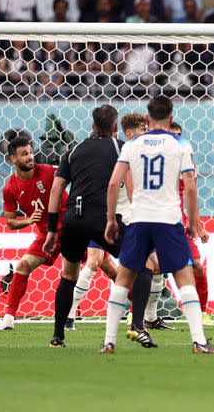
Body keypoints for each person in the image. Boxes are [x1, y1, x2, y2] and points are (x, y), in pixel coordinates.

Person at [100, 97, 214, 354]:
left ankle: (109, 342)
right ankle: (198, 341)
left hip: (140, 218)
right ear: (171, 117)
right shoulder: (180, 144)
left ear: (147, 117)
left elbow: (113, 183)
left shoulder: (133, 144)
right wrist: (195, 223)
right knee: (184, 276)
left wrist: (110, 219)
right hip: (168, 219)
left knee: (124, 277)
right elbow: (190, 185)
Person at [44, 105, 150, 348]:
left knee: (68, 275)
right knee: (143, 264)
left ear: (92, 126)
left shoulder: (73, 151)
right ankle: (138, 327)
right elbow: (131, 187)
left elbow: (56, 189)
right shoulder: (120, 148)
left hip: (72, 219)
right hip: (101, 218)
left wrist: (52, 229)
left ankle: (57, 337)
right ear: (115, 128)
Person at [65, 113, 147, 331]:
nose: (145, 135)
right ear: (128, 133)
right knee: (94, 261)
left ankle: (141, 316)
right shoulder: (115, 152)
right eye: (142, 131)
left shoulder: (137, 156)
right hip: (106, 217)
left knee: (138, 268)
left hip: (128, 216)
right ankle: (70, 316)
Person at [0, 138, 68, 331]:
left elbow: (74, 175)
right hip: (46, 235)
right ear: (13, 159)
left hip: (71, 230)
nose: (30, 156)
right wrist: (28, 220)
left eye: (31, 152)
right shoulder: (10, 188)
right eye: (24, 154)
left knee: (105, 265)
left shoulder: (49, 171)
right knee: (23, 266)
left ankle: (139, 312)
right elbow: (10, 221)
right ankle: (8, 319)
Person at [162, 121, 214, 327]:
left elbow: (191, 197)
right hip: (155, 220)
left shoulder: (187, 163)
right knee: (145, 269)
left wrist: (198, 226)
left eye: (179, 135)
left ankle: (201, 313)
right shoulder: (155, 160)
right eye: (172, 134)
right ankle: (135, 314)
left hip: (179, 224)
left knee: (198, 267)